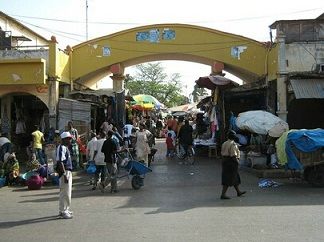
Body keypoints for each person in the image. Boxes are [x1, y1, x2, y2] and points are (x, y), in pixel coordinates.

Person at [220, 130, 246, 200]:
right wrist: (238, 162)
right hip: (231, 162)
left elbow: (222, 153)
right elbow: (233, 155)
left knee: (235, 177)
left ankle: (238, 192)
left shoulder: (224, 143)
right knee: (228, 178)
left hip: (225, 161)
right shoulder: (233, 144)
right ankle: (223, 194)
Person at [56, 131, 73, 219]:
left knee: (65, 192)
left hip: (67, 171)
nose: (70, 140)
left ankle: (63, 209)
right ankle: (64, 211)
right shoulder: (62, 147)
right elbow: (60, 162)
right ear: (64, 139)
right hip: (65, 172)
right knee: (66, 192)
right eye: (69, 139)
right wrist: (64, 174)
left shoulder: (65, 148)